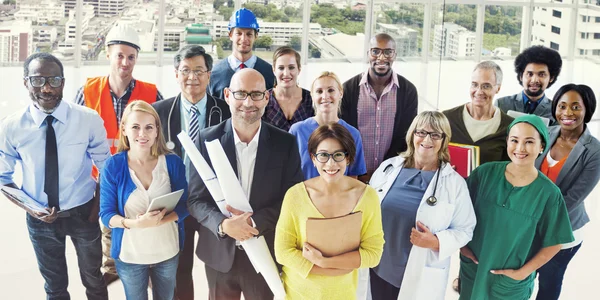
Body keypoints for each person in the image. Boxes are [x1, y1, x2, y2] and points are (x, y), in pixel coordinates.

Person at [0, 53, 109, 299]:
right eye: (38, 80)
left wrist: (96, 209)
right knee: (55, 286)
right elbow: (3, 178)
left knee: (94, 279)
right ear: (26, 82)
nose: (47, 88)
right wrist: (30, 208)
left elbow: (107, 168)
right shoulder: (11, 127)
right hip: (40, 220)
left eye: (54, 80)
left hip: (84, 213)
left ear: (63, 82)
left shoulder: (88, 119)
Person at [187, 68, 303, 300]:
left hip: (265, 250)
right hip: (220, 254)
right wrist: (223, 225)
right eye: (240, 94)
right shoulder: (205, 139)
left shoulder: (286, 143)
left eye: (256, 94)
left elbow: (292, 200)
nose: (248, 102)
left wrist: (253, 222)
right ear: (228, 95)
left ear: (267, 97)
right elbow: (195, 199)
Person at [74, 23, 164, 285]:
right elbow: (75, 138)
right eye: (120, 55)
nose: (125, 62)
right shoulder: (88, 91)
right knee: (109, 225)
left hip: (141, 172)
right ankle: (113, 269)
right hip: (102, 176)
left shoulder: (150, 93)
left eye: (131, 56)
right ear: (108, 55)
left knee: (141, 224)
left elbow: (161, 131)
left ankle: (145, 270)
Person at [459, 115, 574, 300]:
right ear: (507, 142)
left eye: (529, 142)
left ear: (541, 146)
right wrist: (462, 246)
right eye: (514, 140)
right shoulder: (484, 174)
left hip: (509, 284)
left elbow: (555, 242)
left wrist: (523, 273)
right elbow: (459, 211)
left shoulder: (549, 194)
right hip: (474, 269)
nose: (520, 148)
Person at [367, 111, 476, 300]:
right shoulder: (388, 168)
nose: (427, 139)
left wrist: (436, 242)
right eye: (421, 132)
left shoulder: (454, 183)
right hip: (378, 268)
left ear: (444, 140)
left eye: (435, 134)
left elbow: (465, 229)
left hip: (421, 273)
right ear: (412, 134)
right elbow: (366, 209)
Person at [152, 44, 230, 300]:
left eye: (199, 71)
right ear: (176, 74)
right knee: (179, 271)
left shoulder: (227, 111)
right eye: (185, 70)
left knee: (217, 270)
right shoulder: (160, 111)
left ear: (209, 75)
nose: (192, 77)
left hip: (214, 204)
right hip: (176, 203)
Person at [275, 123, 384, 299]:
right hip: (298, 293)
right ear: (313, 158)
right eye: (323, 155)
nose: (331, 164)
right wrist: (328, 269)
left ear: (348, 158)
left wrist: (325, 262)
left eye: (338, 155)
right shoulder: (295, 195)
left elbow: (373, 254)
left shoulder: (367, 196)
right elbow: (283, 251)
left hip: (344, 294)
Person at [99, 100, 189, 300]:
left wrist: (160, 220)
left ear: (157, 130)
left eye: (149, 127)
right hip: (130, 255)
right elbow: (106, 215)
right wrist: (136, 224)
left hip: (167, 251)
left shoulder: (173, 163)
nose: (142, 134)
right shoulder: (113, 166)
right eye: (135, 127)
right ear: (124, 129)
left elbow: (184, 206)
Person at [534, 84, 600, 300]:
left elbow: (573, 198)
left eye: (575, 107)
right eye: (562, 106)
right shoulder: (546, 133)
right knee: (522, 278)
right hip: (530, 224)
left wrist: (531, 214)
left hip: (563, 231)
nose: (567, 113)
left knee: (548, 285)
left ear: (587, 109)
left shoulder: (594, 150)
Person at [341, 33, 418, 182]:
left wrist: (384, 172)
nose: (381, 58)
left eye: (388, 52)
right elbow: (344, 135)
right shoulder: (348, 89)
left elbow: (406, 137)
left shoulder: (408, 91)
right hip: (354, 175)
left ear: (394, 55)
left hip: (391, 176)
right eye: (375, 51)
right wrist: (358, 171)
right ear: (368, 54)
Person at [290, 71, 366, 180]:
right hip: (304, 196)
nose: (325, 96)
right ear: (312, 95)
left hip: (339, 196)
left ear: (341, 93)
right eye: (319, 91)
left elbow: (352, 178)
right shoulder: (297, 131)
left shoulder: (353, 134)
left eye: (331, 90)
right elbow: (289, 173)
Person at [443, 61, 514, 164]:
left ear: (498, 88)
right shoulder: (447, 118)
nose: (479, 91)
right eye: (474, 85)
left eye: (486, 86)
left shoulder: (510, 126)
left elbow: (509, 168)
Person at [208, 8, 275, 100]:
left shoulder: (269, 72)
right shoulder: (215, 73)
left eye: (249, 34)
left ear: (256, 36)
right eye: (238, 33)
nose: (243, 39)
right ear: (230, 35)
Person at [495, 45, 562, 124]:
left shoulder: (556, 110)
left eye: (541, 75)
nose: (534, 80)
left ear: (551, 78)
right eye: (530, 74)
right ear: (521, 76)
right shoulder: (501, 104)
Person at [263, 46, 313, 131]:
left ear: (299, 69)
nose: (286, 73)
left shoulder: (311, 99)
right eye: (281, 68)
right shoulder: (264, 99)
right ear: (274, 70)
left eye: (291, 67)